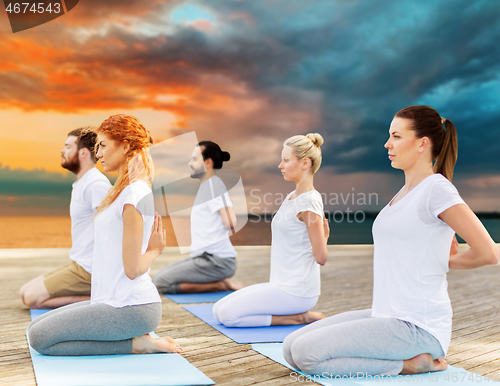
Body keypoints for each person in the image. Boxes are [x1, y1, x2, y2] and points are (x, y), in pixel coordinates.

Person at [283, 105, 499, 377]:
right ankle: (406, 359)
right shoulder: (405, 192)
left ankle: (411, 365)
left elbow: (488, 252)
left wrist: (444, 261)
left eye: (396, 136)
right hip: (386, 314)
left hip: (418, 325)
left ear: (422, 144)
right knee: (291, 346)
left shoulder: (437, 188)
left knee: (306, 355)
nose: (387, 144)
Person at [28, 114, 182, 355]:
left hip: (131, 307)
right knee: (35, 326)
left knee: (39, 338)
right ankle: (135, 340)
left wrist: (153, 251)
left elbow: (132, 270)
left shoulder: (134, 195)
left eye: (103, 145)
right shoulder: (120, 192)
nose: (97, 153)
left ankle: (138, 344)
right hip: (108, 300)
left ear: (126, 146)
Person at [212, 133, 329, 327]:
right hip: (280, 285)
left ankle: (298, 317)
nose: (280, 165)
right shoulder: (292, 196)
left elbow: (321, 258)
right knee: (217, 310)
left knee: (227, 316)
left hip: (297, 292)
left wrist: (324, 237)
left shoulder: (309, 202)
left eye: (285, 160)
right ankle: (298, 315)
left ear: (305, 163)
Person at [20, 128, 111, 309]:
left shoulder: (96, 184)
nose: (62, 151)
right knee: (24, 292)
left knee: (31, 299)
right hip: (79, 264)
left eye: (68, 146)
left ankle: (104, 297)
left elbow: (114, 227)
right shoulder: (83, 182)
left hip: (91, 270)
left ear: (83, 153)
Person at [153, 141, 243, 293]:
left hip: (216, 262)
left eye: (194, 159)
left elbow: (230, 222)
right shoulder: (208, 186)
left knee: (160, 282)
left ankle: (220, 285)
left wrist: (229, 207)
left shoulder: (213, 185)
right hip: (204, 259)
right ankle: (220, 281)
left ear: (207, 163)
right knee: (158, 278)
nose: (190, 163)